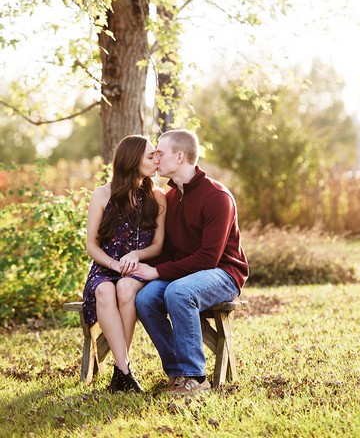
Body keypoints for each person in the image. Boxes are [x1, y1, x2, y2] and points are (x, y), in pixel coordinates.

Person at [133, 129, 249, 395]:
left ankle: (195, 377)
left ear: (180, 156)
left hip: (223, 272)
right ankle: (177, 374)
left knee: (179, 291)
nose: (156, 159)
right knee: (146, 298)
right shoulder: (170, 198)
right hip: (184, 274)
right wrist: (140, 269)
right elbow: (168, 250)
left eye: (160, 153)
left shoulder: (217, 197)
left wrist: (158, 271)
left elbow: (210, 257)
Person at [83, 134, 166, 393]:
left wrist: (136, 256)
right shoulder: (102, 194)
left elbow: (158, 246)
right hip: (106, 267)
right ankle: (125, 371)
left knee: (126, 288)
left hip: (136, 269)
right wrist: (115, 265)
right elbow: (91, 246)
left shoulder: (157, 196)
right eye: (151, 156)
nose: (157, 160)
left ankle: (121, 374)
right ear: (132, 161)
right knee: (105, 289)